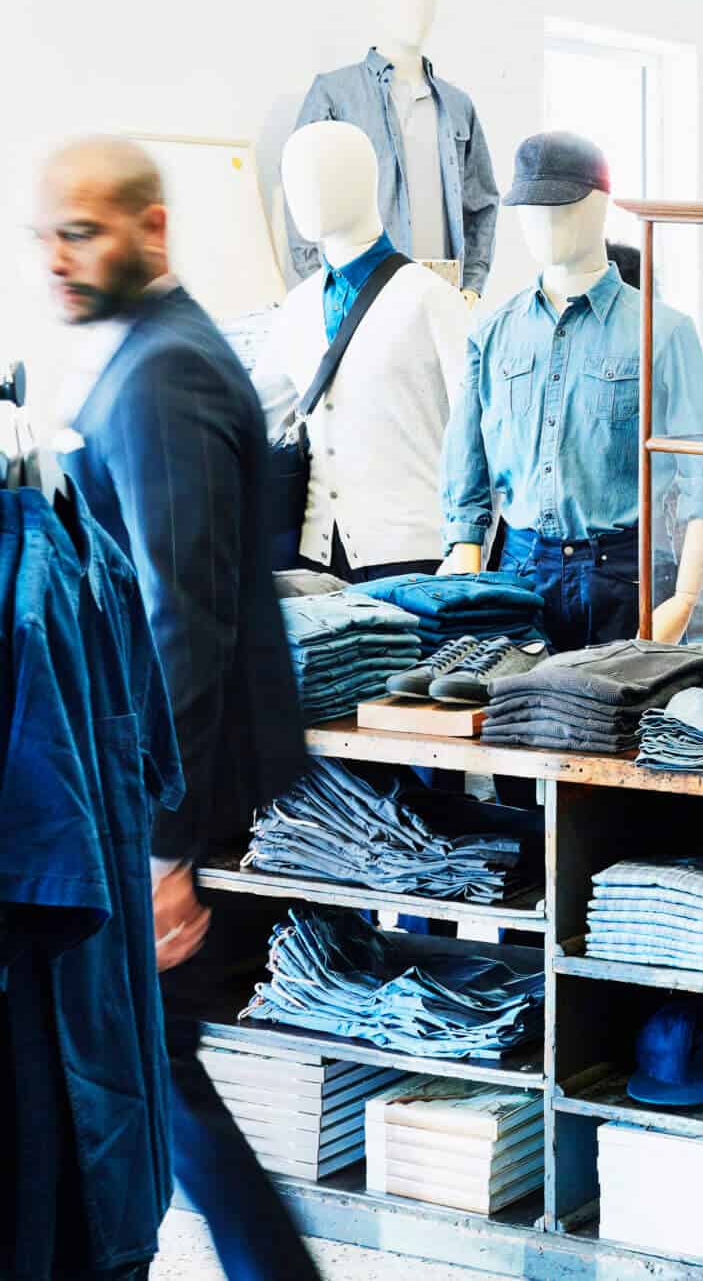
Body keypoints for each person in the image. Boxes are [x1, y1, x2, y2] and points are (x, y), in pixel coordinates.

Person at [36, 137, 320, 1281]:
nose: (58, 257)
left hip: (184, 804)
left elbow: (182, 621)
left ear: (151, 230)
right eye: (47, 232)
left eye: (83, 230)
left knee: (155, 1068)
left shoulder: (167, 375)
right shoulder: (152, 354)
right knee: (152, 1070)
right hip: (168, 794)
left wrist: (166, 847)